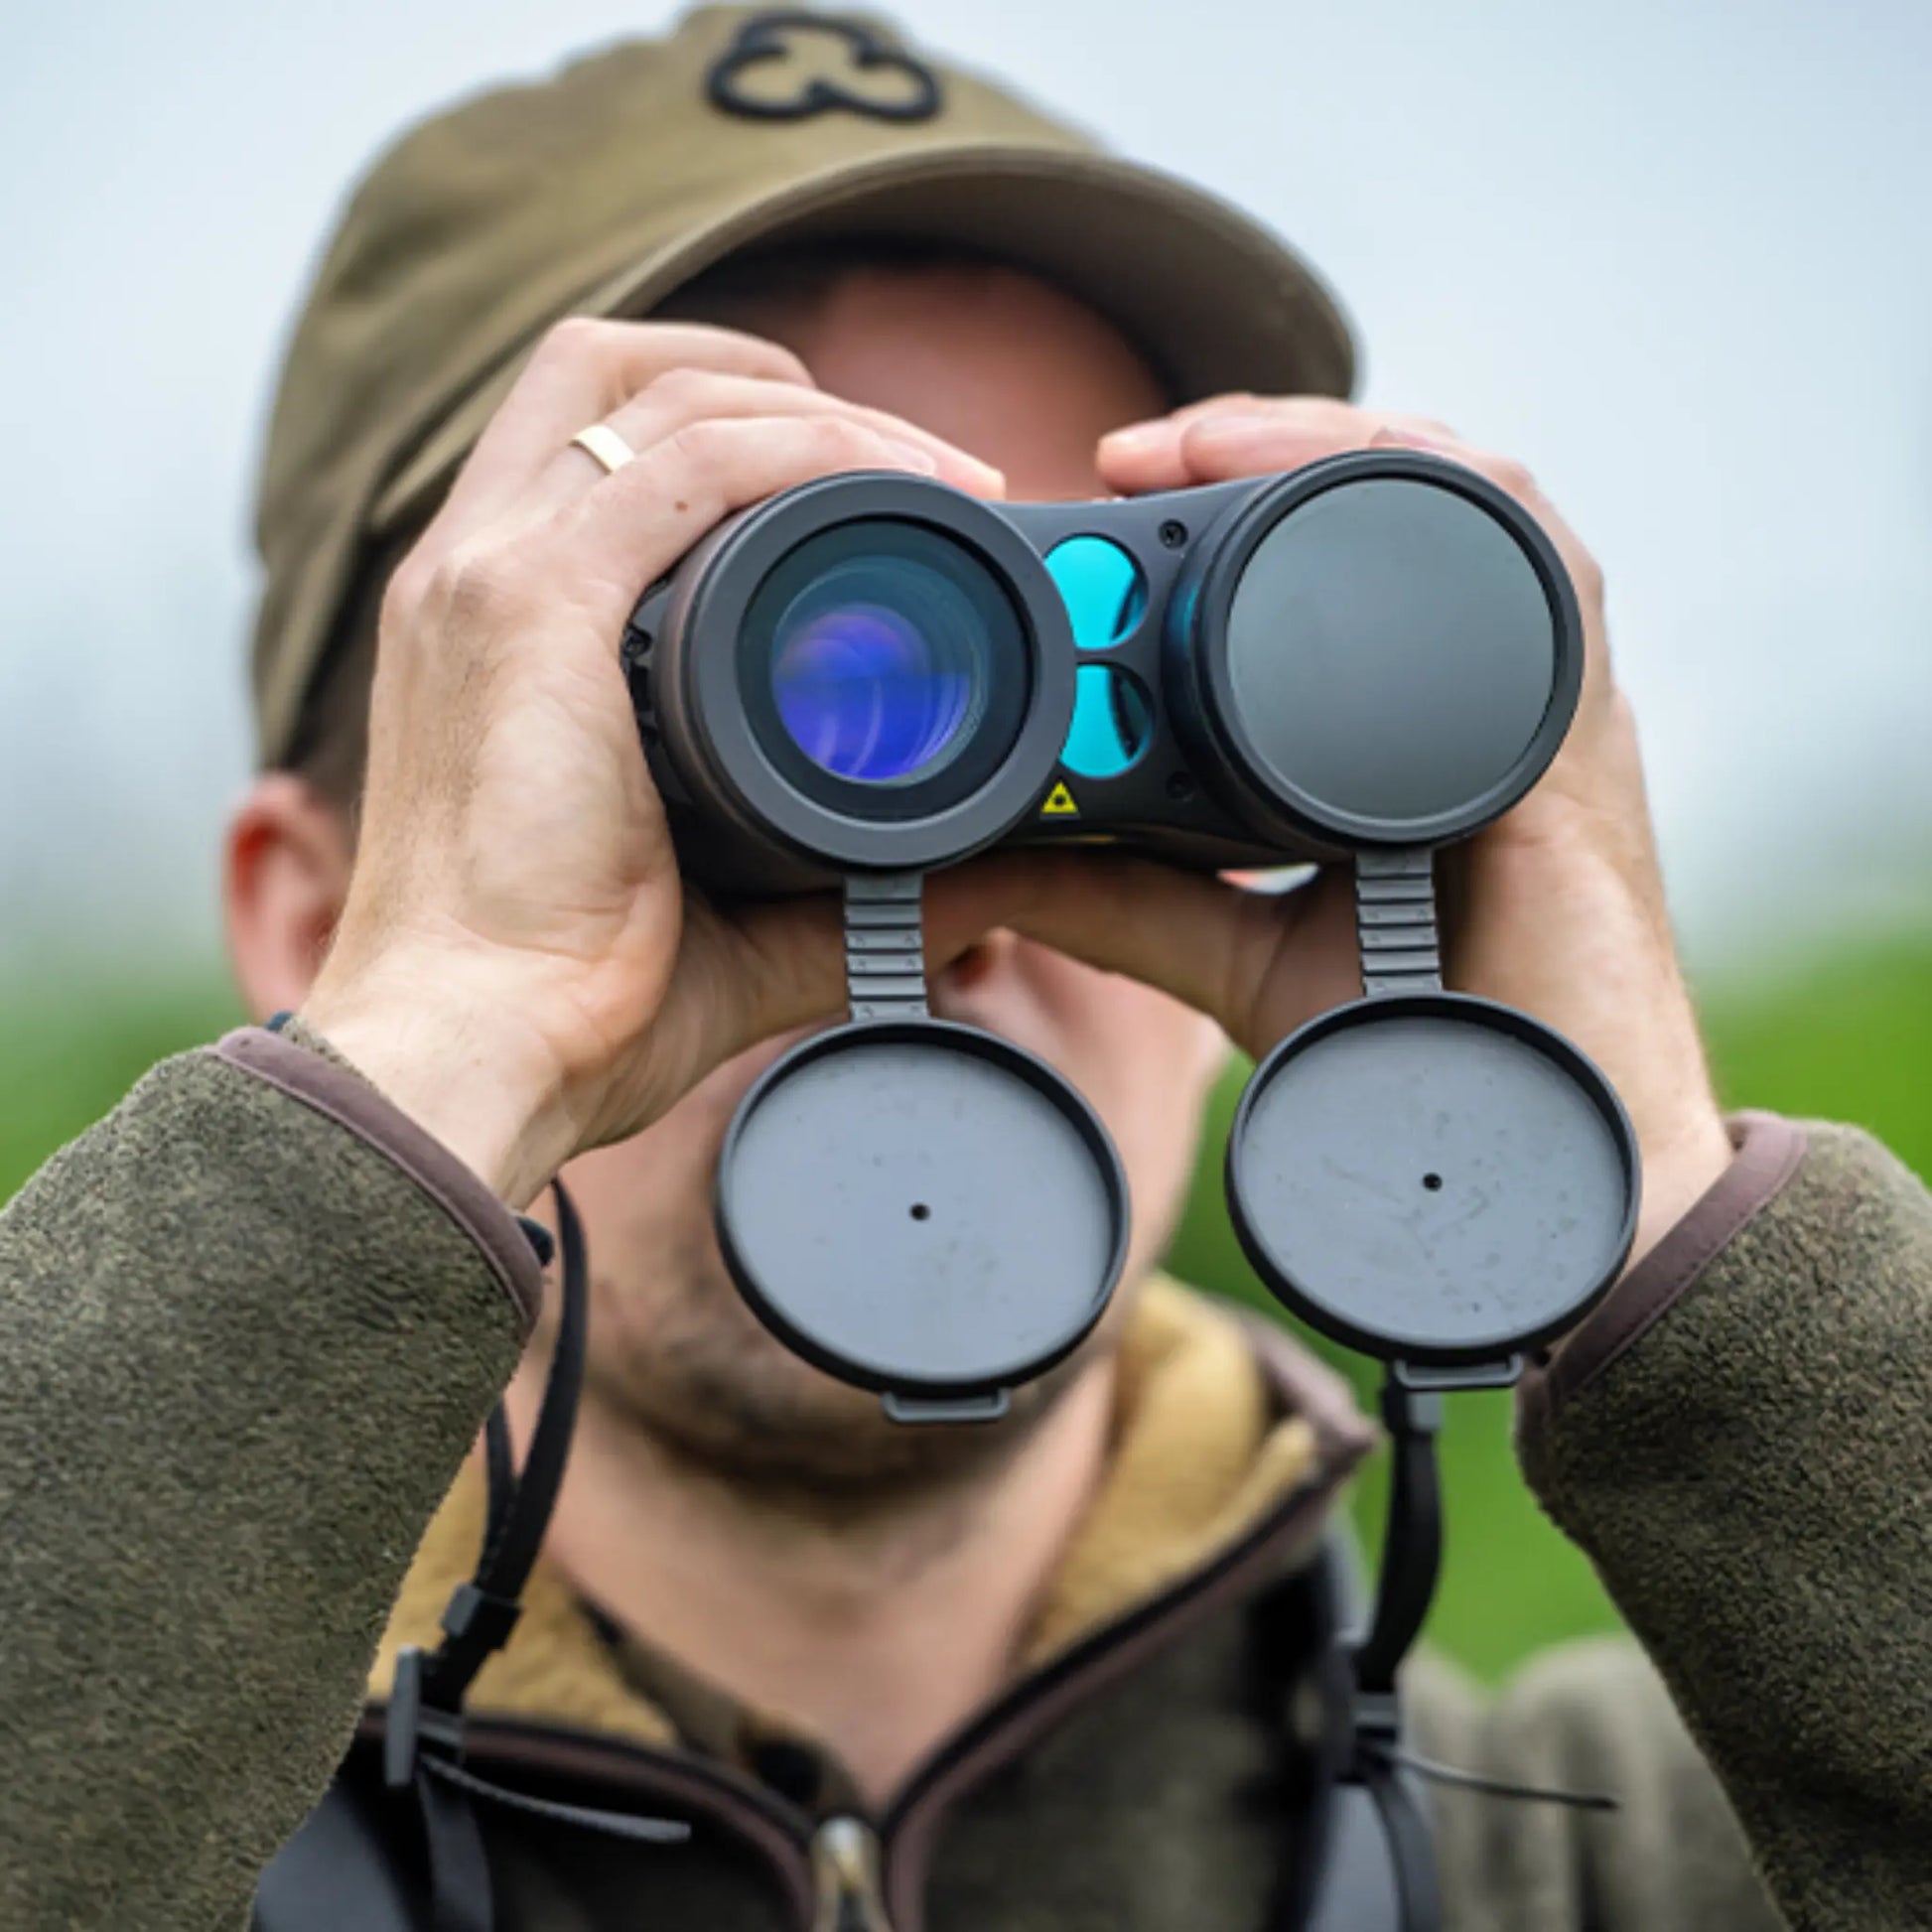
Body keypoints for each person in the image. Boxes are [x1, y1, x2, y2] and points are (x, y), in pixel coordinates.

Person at [2, 7, 1927, 1928]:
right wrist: (402, 1090)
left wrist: (1667, 1213)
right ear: (308, 921)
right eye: (782, 645)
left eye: (1094, 646)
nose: (955, 857)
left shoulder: (1639, 1863)